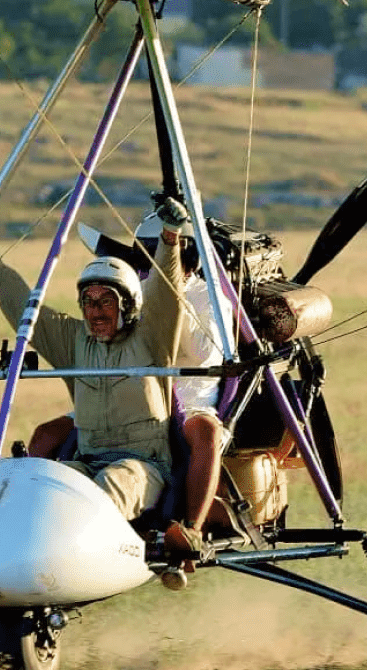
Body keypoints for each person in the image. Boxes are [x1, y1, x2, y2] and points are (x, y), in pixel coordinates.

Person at [0, 196, 187, 524]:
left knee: (109, 486)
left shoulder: (152, 337)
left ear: (130, 305)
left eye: (107, 301)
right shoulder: (73, 340)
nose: (95, 311)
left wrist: (169, 239)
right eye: (88, 302)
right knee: (45, 489)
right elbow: (22, 306)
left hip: (143, 468)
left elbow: (165, 294)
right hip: (87, 461)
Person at [28, 213, 233, 560]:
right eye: (143, 257)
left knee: (205, 435)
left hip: (188, 391)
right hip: (127, 386)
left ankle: (192, 531)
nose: (147, 266)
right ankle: (30, 512)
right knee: (47, 433)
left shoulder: (206, 297)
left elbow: (202, 353)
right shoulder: (136, 287)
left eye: (156, 256)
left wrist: (167, 309)